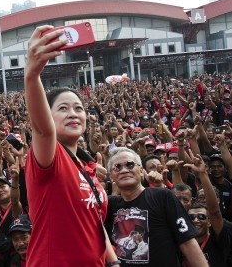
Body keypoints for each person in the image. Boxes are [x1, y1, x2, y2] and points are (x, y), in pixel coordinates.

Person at [24, 25, 117, 266]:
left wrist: (113, 261)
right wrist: (32, 74)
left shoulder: (87, 167)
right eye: (62, 109)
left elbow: (93, 222)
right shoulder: (49, 158)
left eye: (78, 108)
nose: (73, 114)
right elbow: (43, 130)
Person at [106, 147, 208, 266]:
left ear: (140, 170)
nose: (124, 170)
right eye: (117, 167)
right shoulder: (109, 204)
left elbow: (187, 242)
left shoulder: (162, 196)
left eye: (130, 165)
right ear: (111, 176)